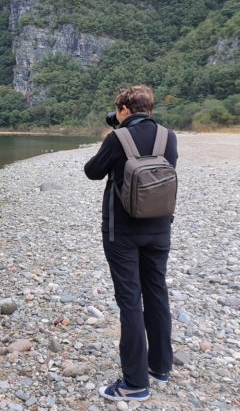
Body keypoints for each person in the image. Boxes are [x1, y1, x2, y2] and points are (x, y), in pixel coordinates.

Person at [84, 85, 178, 402]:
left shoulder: (117, 138)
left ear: (124, 108)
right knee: (157, 293)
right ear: (149, 108)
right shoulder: (169, 137)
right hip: (160, 229)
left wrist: (113, 141)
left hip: (122, 232)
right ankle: (160, 367)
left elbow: (92, 172)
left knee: (130, 302)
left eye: (117, 108)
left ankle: (134, 383)